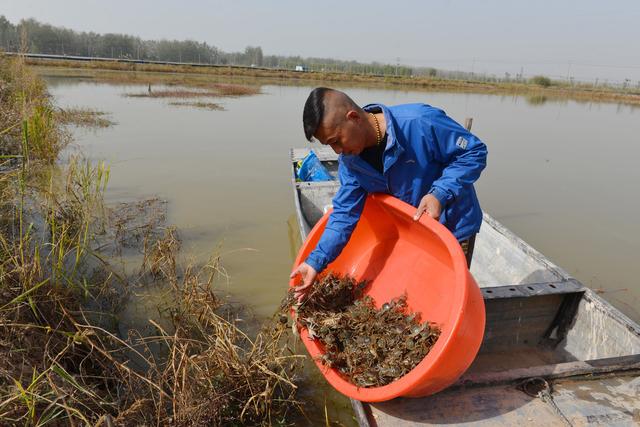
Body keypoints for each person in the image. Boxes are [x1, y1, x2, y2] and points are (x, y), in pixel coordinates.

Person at [291, 87, 487, 301]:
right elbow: (343, 216)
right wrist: (314, 262)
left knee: (450, 297)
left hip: (453, 229)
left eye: (337, 140)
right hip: (413, 234)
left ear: (353, 117)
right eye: (329, 145)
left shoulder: (419, 122)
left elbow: (474, 152)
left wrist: (439, 193)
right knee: (418, 296)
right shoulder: (351, 163)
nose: (337, 151)